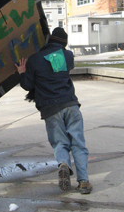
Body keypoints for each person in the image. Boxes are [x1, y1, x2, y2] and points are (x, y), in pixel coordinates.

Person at [15, 27, 92, 194]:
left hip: (50, 109)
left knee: (60, 143)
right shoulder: (67, 56)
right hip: (71, 105)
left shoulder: (34, 59)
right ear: (64, 43)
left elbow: (27, 85)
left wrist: (22, 72)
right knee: (78, 144)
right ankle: (84, 181)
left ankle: (64, 164)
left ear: (49, 40)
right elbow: (63, 66)